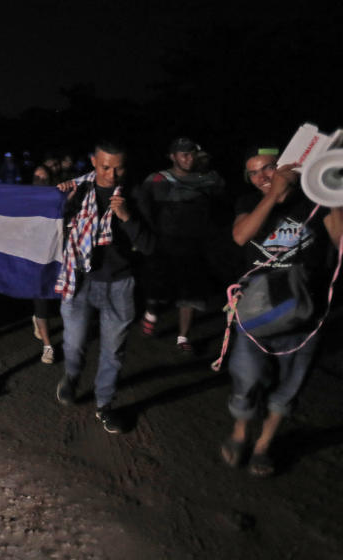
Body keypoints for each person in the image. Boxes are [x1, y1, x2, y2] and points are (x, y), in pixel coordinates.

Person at [220, 147, 343, 476]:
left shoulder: (314, 201)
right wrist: (273, 194)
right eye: (254, 172)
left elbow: (339, 239)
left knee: (291, 385)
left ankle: (263, 446)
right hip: (256, 310)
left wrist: (329, 191)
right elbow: (241, 235)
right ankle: (240, 433)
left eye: (270, 167)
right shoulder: (248, 203)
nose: (263, 176)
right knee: (246, 376)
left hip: (305, 311)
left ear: (289, 165)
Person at [54, 141, 155, 433]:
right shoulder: (79, 189)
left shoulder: (135, 195)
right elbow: (54, 226)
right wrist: (62, 201)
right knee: (73, 343)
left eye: (118, 167)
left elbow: (149, 245)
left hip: (119, 284)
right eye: (105, 167)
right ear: (93, 162)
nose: (112, 174)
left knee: (113, 351)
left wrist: (127, 218)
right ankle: (72, 377)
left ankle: (105, 404)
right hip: (80, 279)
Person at [136, 137, 226, 351]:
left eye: (192, 153)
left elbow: (221, 202)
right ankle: (151, 313)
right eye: (183, 153)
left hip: (194, 245)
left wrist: (206, 169)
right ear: (172, 156)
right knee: (158, 287)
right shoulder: (158, 179)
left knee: (191, 292)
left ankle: (183, 338)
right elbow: (142, 205)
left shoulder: (208, 178)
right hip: (164, 243)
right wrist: (147, 234)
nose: (188, 158)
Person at [30, 165, 57, 364]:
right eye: (37, 177)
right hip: (36, 260)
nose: (40, 181)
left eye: (44, 178)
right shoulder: (25, 200)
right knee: (42, 301)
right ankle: (48, 346)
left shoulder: (58, 200)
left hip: (57, 258)